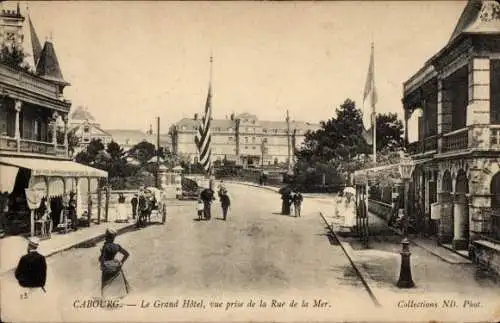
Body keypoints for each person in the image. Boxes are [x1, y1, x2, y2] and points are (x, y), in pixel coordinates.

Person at [99, 228, 130, 298]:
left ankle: (105, 298)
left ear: (107, 237)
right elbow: (127, 254)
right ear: (113, 238)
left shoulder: (105, 246)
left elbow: (103, 259)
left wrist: (101, 263)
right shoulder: (117, 246)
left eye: (106, 236)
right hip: (115, 265)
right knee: (117, 283)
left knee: (105, 284)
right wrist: (121, 262)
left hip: (107, 266)